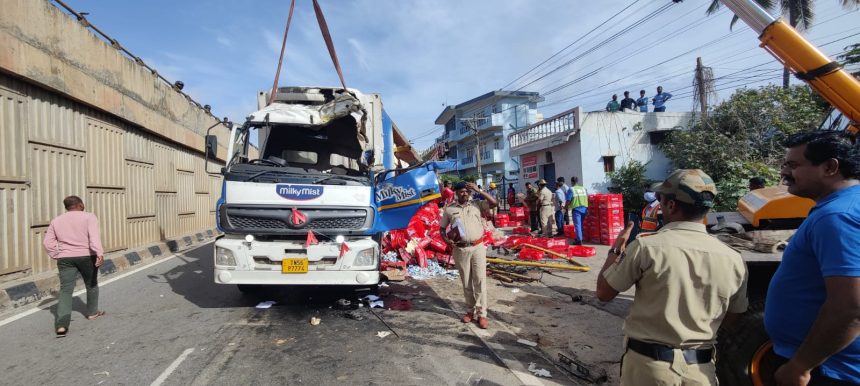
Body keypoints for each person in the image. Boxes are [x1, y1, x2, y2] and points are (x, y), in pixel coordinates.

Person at [596, 169, 749, 385]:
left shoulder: (646, 247)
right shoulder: (733, 258)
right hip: (701, 371)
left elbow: (603, 292)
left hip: (650, 369)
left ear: (671, 205)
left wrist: (616, 250)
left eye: (661, 199)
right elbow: (733, 319)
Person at [764, 131, 860, 385]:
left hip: (830, 370)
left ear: (829, 167)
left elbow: (850, 307)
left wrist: (801, 366)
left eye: (794, 165)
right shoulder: (843, 207)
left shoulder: (837, 217)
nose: (784, 173)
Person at [43, 196, 106, 337]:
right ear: (80, 204)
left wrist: (56, 254)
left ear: (66, 207)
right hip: (87, 256)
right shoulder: (89, 217)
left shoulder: (56, 221)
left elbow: (47, 243)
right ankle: (92, 313)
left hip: (65, 258)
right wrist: (99, 253)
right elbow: (94, 237)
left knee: (65, 290)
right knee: (91, 285)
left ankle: (61, 326)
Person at [440, 181, 497, 329]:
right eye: (461, 191)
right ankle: (470, 311)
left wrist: (479, 190)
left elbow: (494, 202)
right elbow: (441, 229)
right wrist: (447, 241)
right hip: (460, 249)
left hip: (478, 247)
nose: (465, 193)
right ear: (456, 193)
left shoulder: (477, 204)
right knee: (466, 282)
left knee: (480, 281)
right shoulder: (450, 209)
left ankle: (482, 314)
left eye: (467, 191)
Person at [569, 176, 588, 245]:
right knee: (581, 224)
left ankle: (579, 240)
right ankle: (580, 237)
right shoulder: (583, 189)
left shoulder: (571, 189)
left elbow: (568, 200)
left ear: (572, 182)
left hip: (576, 209)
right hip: (584, 209)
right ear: (577, 181)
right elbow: (586, 198)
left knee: (577, 225)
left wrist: (565, 207)